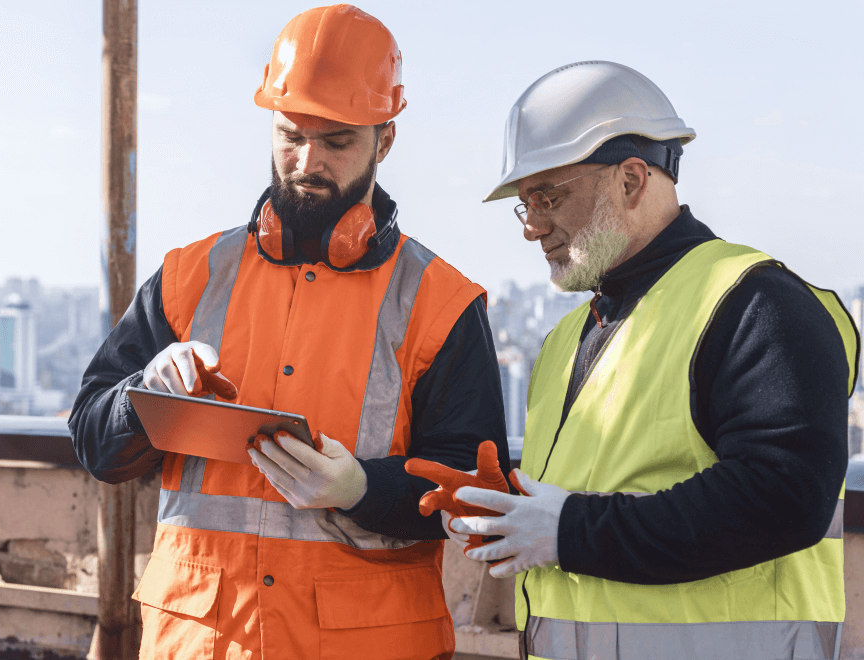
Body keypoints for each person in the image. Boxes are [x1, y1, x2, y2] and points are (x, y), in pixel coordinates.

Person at [68, 5, 509, 659]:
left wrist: (364, 488)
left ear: (384, 141)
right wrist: (140, 397)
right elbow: (93, 443)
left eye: (337, 142)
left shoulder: (439, 300)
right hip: (204, 641)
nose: (308, 160)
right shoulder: (190, 277)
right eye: (290, 135)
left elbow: (475, 488)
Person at [440, 61, 858, 660]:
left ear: (632, 180)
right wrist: (510, 512)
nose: (532, 227)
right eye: (524, 204)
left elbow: (784, 496)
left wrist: (567, 531)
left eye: (548, 196)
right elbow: (607, 490)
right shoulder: (567, 339)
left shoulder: (755, 303)